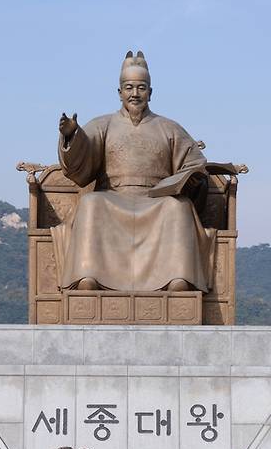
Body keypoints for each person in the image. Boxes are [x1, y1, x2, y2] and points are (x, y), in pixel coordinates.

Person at [54, 50, 213, 293]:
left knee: (178, 207)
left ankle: (178, 279)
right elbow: (80, 164)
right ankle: (88, 276)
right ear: (119, 93)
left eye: (141, 88)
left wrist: (191, 177)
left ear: (151, 92)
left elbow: (195, 162)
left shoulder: (169, 128)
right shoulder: (102, 124)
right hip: (113, 195)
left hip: (157, 199)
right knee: (91, 203)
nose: (135, 94)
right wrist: (71, 136)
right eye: (129, 88)